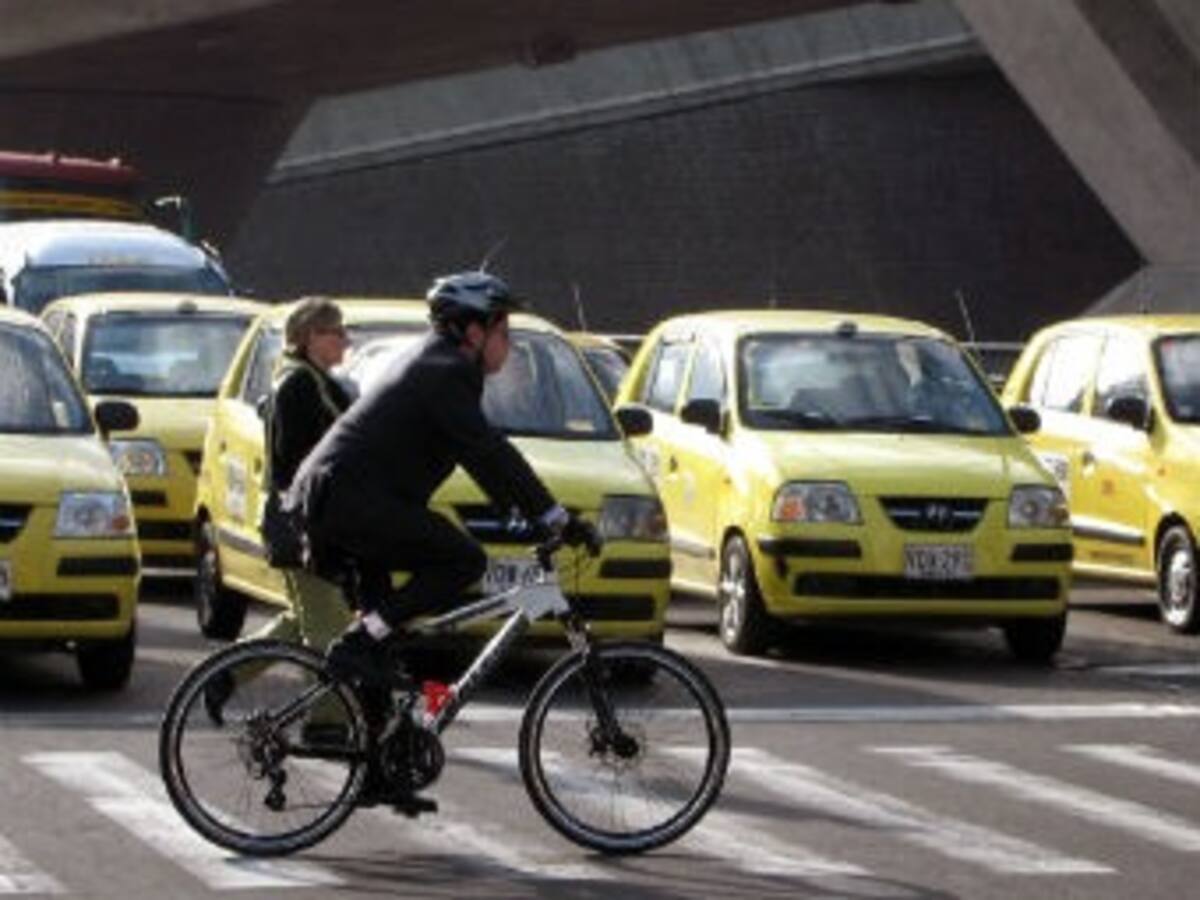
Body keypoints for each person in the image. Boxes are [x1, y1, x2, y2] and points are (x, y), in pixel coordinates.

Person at [285, 271, 594, 698]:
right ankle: (359, 641)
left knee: (381, 653)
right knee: (463, 560)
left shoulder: (439, 365)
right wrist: (555, 517)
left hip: (343, 500)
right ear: (472, 332)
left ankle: (378, 753)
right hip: (345, 501)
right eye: (502, 330)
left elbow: (479, 459)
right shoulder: (444, 372)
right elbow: (489, 450)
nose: (509, 343)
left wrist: (521, 515)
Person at [204, 297, 354, 725]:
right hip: (304, 526)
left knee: (303, 618)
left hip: (303, 523)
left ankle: (225, 675)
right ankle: (330, 725)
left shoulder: (310, 379)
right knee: (331, 632)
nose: (345, 341)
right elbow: (297, 465)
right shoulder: (300, 387)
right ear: (311, 337)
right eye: (336, 332)